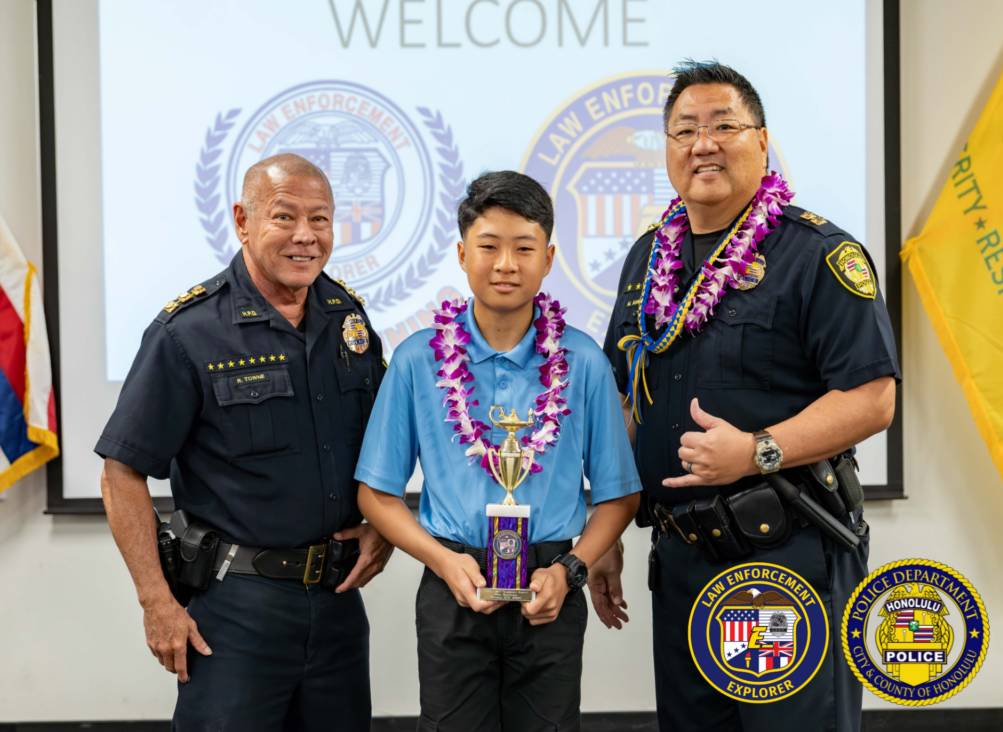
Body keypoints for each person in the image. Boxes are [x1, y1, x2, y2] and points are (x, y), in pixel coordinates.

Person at [592, 61, 900, 732]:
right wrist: (605, 531)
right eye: (684, 130)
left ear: (761, 142)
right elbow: (625, 399)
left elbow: (874, 398)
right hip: (678, 561)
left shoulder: (817, 254)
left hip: (783, 553)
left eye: (722, 125)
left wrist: (757, 452)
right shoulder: (648, 260)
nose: (702, 143)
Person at [96, 153, 394, 731]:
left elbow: (383, 441)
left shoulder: (347, 319)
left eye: (321, 220)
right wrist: (156, 602)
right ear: (243, 220)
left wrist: (385, 522)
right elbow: (120, 473)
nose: (305, 236)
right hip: (234, 612)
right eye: (285, 217)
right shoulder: (188, 332)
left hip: (336, 606)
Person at [354, 171, 642, 731]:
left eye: (523, 248)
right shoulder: (418, 361)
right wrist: (441, 561)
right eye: (489, 246)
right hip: (452, 580)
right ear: (462, 254)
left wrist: (572, 569)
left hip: (552, 584)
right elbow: (376, 493)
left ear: (550, 257)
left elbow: (619, 497)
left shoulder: (582, 362)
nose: (506, 263)